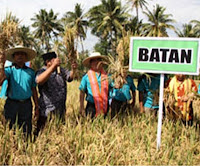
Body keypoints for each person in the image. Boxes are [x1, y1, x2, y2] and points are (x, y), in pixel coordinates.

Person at [0, 46, 38, 136]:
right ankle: (13, 148)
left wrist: (36, 106)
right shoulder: (9, 70)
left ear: (26, 57)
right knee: (10, 129)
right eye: (17, 54)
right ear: (13, 57)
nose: (20, 56)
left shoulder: (31, 72)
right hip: (12, 104)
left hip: (26, 105)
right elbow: (0, 80)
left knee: (26, 130)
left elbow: (34, 89)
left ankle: (25, 148)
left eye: (22, 54)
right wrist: (1, 64)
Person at [35, 51, 77, 135]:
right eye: (54, 60)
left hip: (60, 110)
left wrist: (74, 69)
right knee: (43, 133)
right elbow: (39, 81)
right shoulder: (42, 71)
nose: (58, 61)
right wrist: (53, 67)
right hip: (47, 111)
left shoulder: (60, 70)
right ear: (48, 62)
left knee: (58, 133)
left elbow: (70, 77)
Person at [79, 52, 111, 119]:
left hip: (105, 106)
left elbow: (114, 87)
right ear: (90, 63)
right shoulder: (86, 77)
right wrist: (81, 107)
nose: (96, 62)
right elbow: (82, 92)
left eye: (98, 60)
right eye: (94, 60)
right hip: (91, 107)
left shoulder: (108, 76)